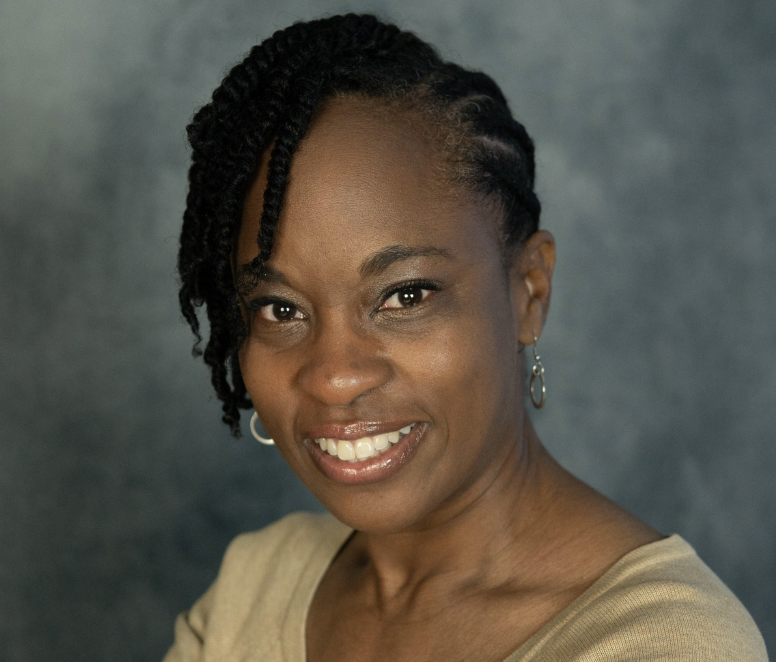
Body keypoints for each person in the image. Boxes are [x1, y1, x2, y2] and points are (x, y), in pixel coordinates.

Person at [164, 14, 767, 662]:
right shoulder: (255, 588)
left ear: (528, 292)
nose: (335, 377)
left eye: (405, 296)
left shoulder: (665, 645)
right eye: (280, 309)